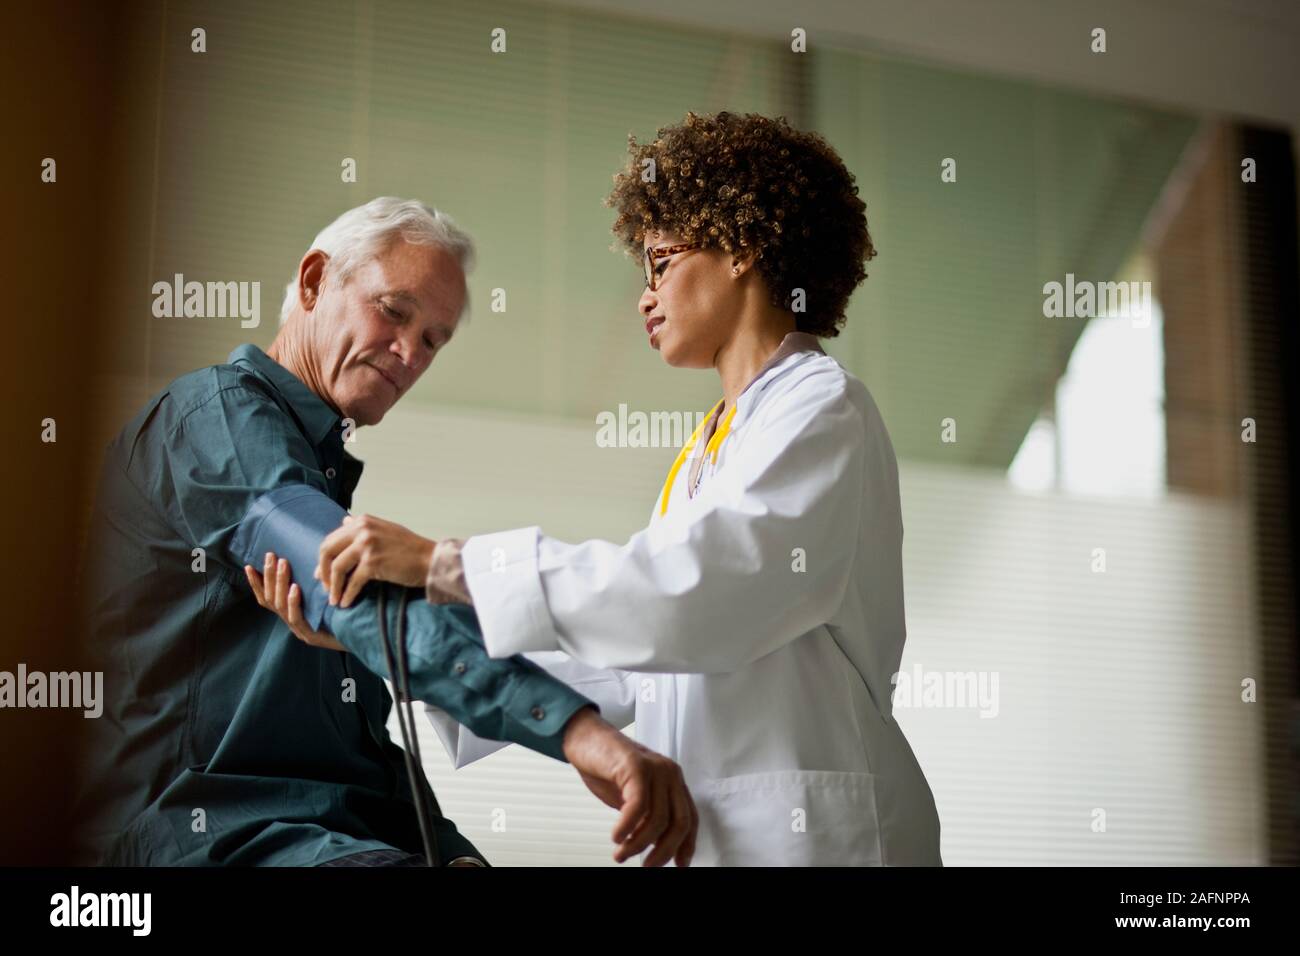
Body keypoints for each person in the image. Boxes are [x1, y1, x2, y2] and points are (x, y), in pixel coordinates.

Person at [261, 112, 942, 865]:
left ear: (743, 245)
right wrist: (387, 638)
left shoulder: (821, 406)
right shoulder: (708, 452)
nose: (645, 296)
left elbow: (699, 592)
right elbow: (630, 659)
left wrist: (441, 563)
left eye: (659, 262)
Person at [74, 196, 696, 868]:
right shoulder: (215, 421)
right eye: (394, 312)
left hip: (325, 841)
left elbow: (355, 753)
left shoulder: (322, 482)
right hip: (196, 840)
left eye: (433, 339)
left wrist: (455, 853)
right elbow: (360, 596)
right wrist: (580, 732)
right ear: (314, 282)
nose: (408, 353)